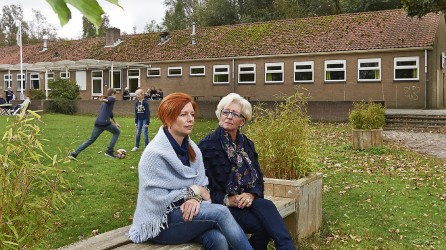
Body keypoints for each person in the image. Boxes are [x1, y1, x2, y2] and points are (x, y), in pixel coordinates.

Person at [129, 92, 253, 250]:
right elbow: (156, 199)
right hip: (160, 223)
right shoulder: (154, 154)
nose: (190, 119)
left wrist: (194, 197)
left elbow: (203, 187)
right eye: (183, 114)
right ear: (168, 119)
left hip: (187, 216)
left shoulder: (192, 149)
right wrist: (193, 192)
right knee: (221, 213)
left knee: (218, 239)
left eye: (192, 114)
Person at [198, 93, 296, 250]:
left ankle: (286, 246)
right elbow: (203, 187)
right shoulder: (208, 146)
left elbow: (258, 180)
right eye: (225, 112)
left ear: (242, 121)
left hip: (246, 203)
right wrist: (228, 200)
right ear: (219, 115)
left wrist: (251, 195)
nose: (229, 116)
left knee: (265, 205)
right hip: (223, 207)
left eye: (234, 114)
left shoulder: (247, 145)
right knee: (262, 225)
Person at [69, 88, 121, 159]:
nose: (116, 96)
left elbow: (110, 113)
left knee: (91, 140)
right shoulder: (111, 100)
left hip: (98, 123)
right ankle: (109, 151)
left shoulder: (104, 104)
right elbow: (109, 100)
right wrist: (103, 99)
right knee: (117, 132)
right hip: (105, 123)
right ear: (112, 94)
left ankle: (74, 153)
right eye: (115, 94)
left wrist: (115, 122)